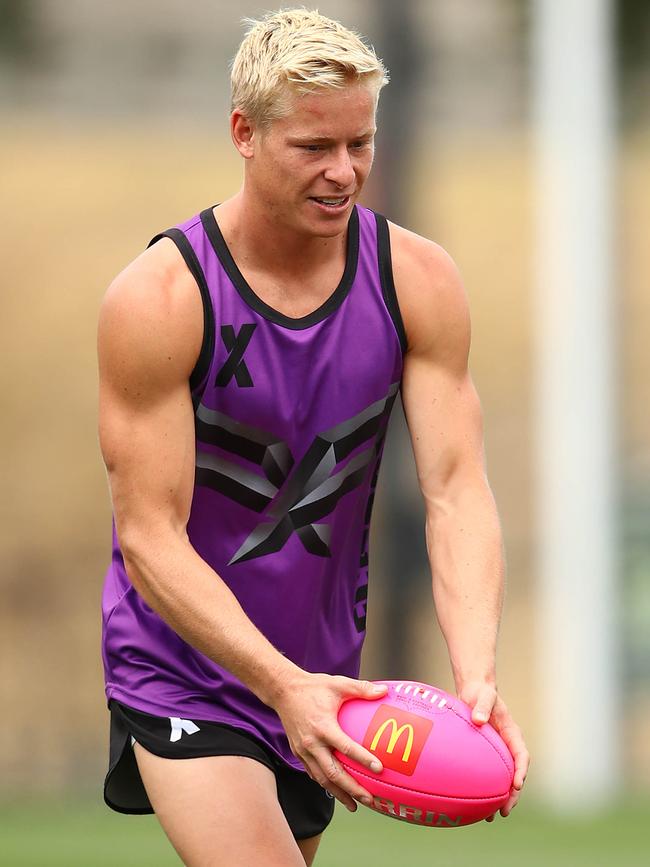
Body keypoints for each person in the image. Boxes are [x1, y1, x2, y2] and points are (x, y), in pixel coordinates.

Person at [97, 8, 529, 866]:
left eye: (360, 143)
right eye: (313, 148)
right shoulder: (161, 300)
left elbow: (455, 489)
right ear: (244, 134)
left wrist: (475, 678)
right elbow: (149, 535)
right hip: (186, 668)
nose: (344, 172)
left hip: (331, 680)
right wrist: (279, 684)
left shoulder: (418, 280)